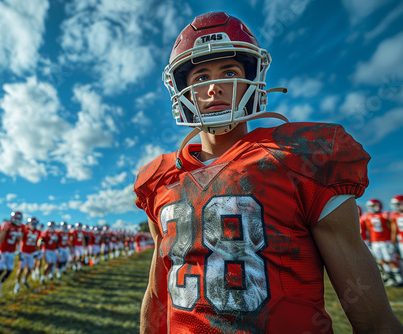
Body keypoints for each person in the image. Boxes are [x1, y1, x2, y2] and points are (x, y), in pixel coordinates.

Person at [133, 11, 403, 333]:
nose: (213, 88)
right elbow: (158, 292)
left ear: (253, 79)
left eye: (228, 72)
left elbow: (372, 318)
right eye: (201, 78)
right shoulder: (159, 177)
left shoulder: (299, 157)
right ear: (183, 91)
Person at [362, 199, 402, 286]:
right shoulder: (368, 216)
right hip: (375, 242)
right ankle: (390, 277)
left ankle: (399, 278)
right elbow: (369, 229)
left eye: (373, 206)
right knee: (381, 260)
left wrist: (392, 241)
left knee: (390, 259)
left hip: (385, 241)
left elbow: (391, 228)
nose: (372, 208)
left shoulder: (385, 215)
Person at [0, 212, 24, 298]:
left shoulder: (20, 228)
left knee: (9, 270)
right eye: (16, 218)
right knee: (1, 268)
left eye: (19, 219)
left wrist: (19, 251)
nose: (18, 220)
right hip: (3, 251)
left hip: (11, 251)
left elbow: (19, 241)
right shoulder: (7, 225)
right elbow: (0, 239)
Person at [15, 217, 41, 292]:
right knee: (21, 269)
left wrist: (37, 251)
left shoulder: (38, 232)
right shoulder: (25, 229)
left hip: (32, 252)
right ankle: (17, 284)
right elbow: (19, 240)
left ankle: (24, 280)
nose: (34, 225)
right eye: (33, 223)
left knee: (30, 268)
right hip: (24, 251)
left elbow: (37, 243)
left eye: (35, 223)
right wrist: (19, 251)